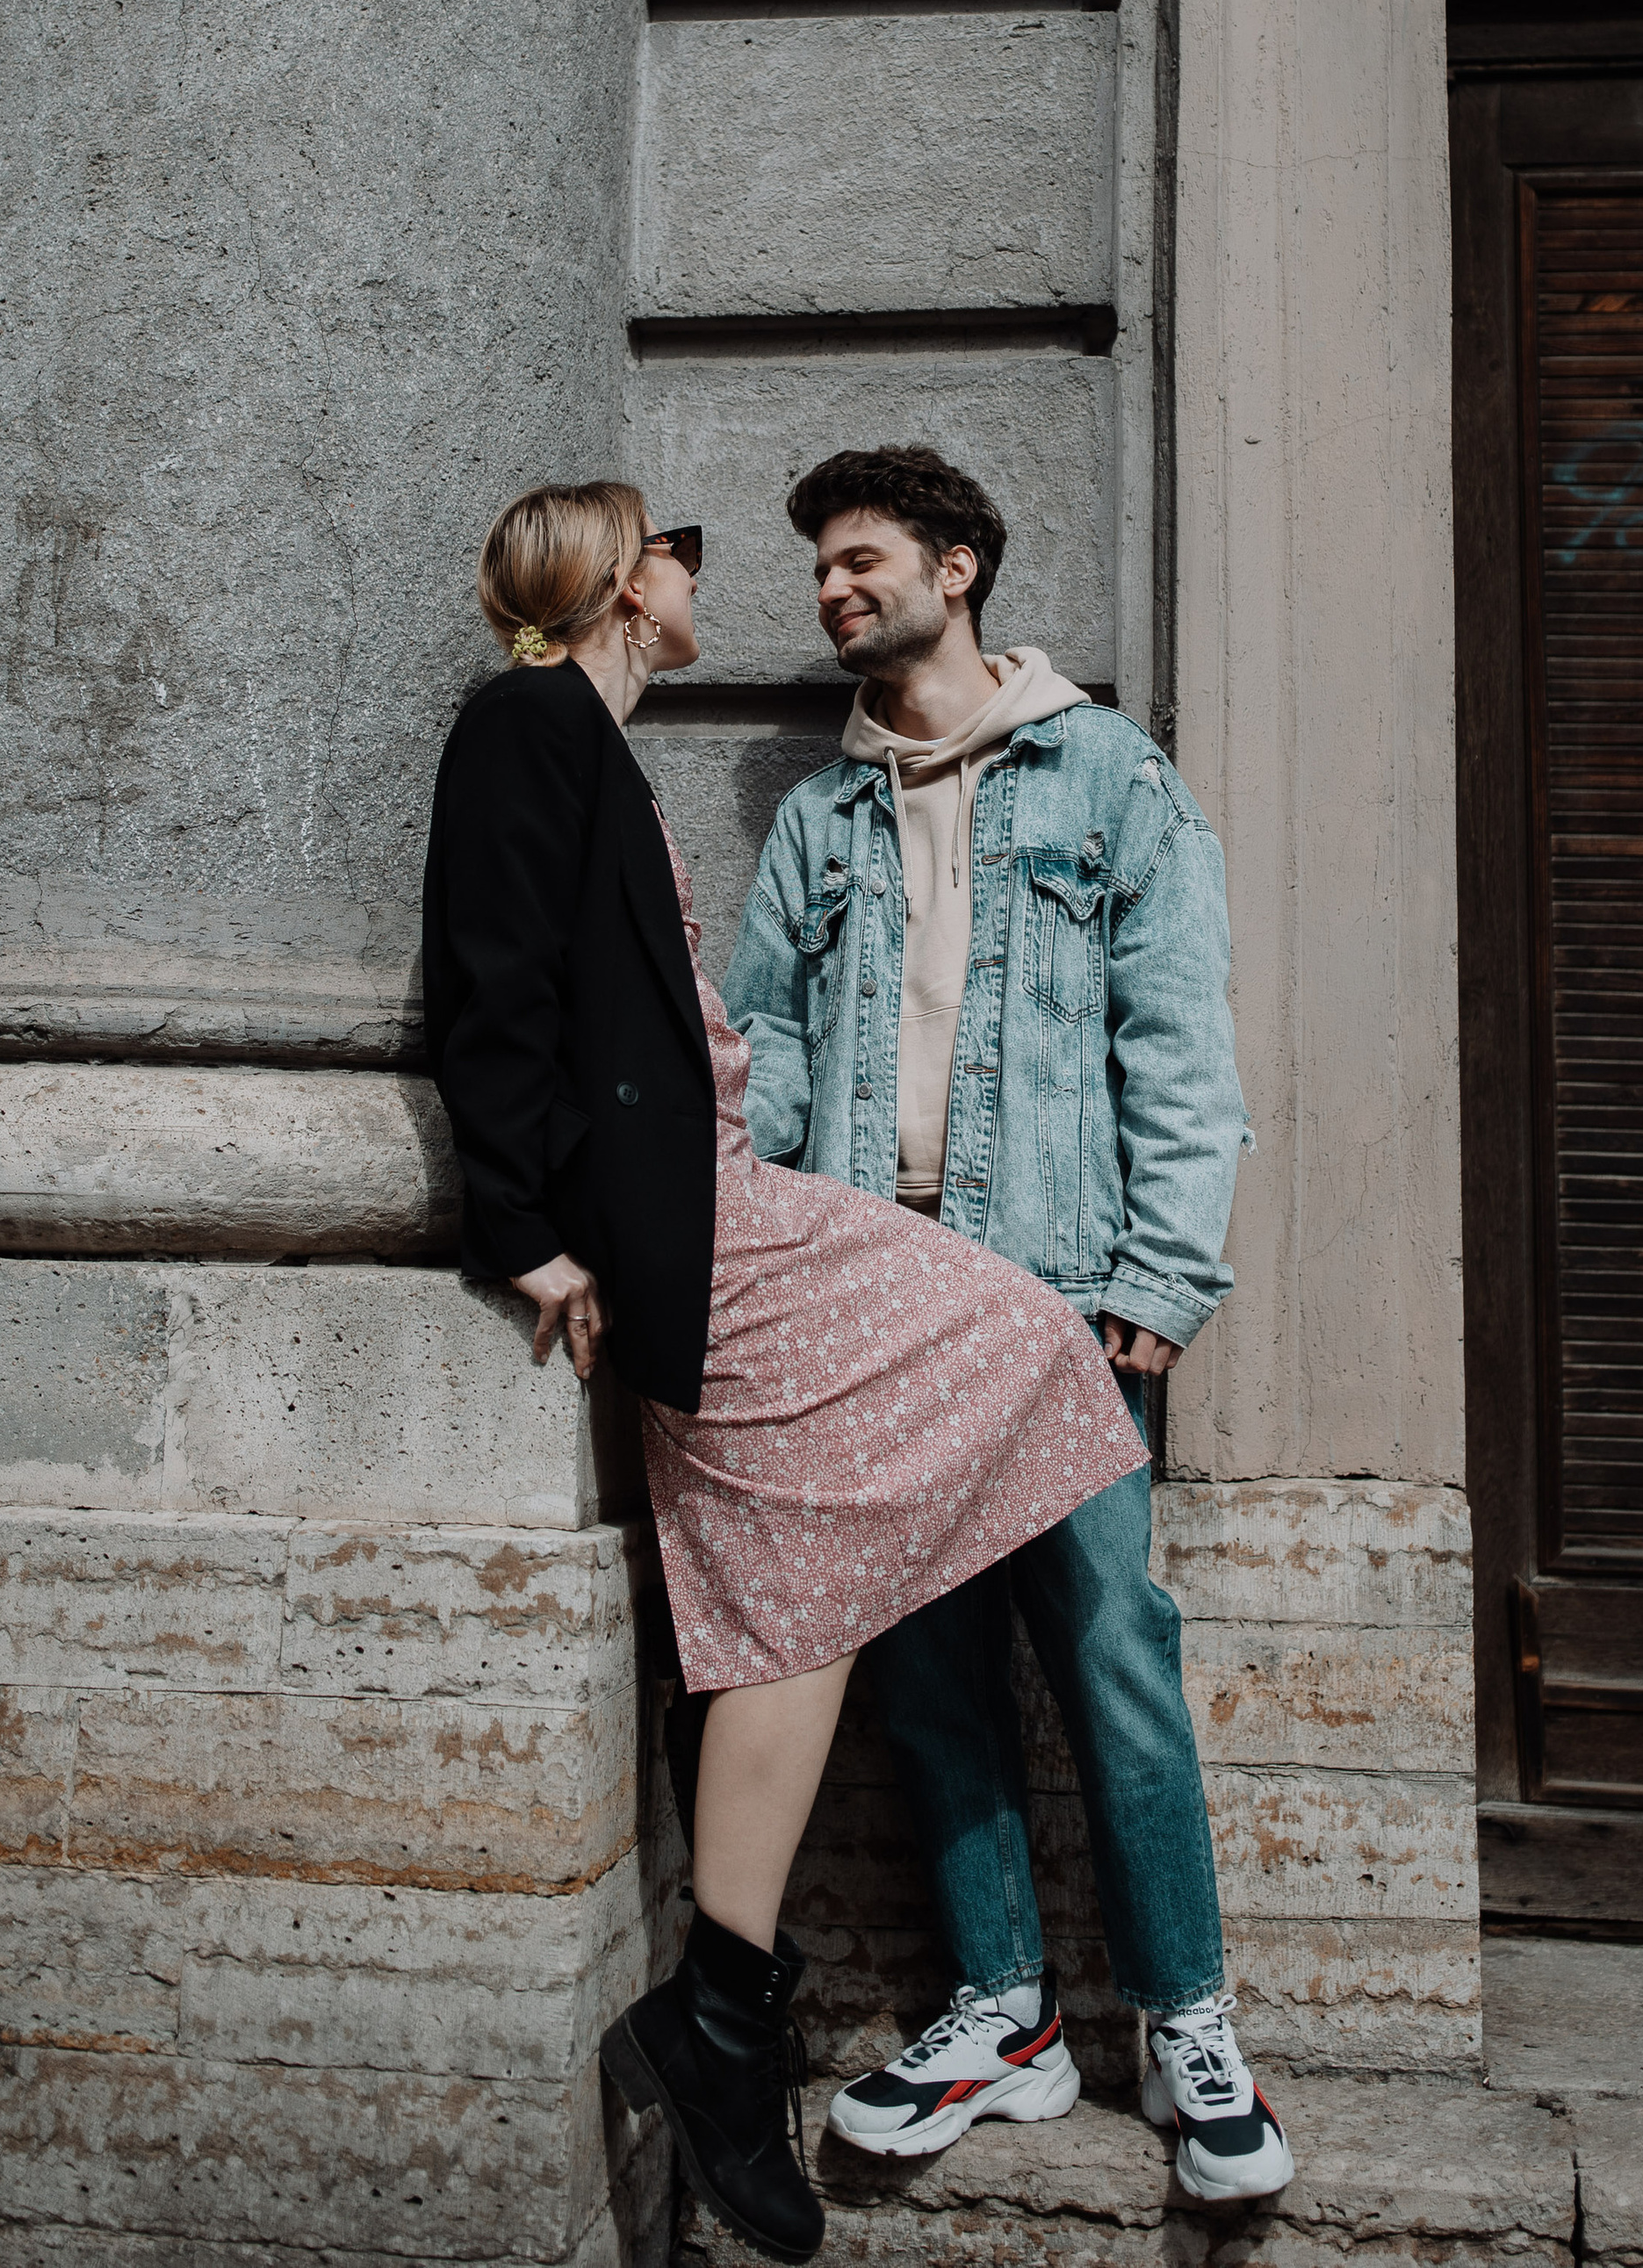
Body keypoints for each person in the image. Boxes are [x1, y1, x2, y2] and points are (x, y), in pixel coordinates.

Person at [422, 479, 1146, 2265]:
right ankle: (726, 2017)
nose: (693, 577)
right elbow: (487, 988)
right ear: (607, 584)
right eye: (669, 550)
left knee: (795, 1599)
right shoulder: (525, 725)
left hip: (722, 1203)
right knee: (1007, 1339)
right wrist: (521, 1228)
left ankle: (720, 2008)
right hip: (698, 1229)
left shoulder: (591, 742)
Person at [721, 445, 1294, 2206]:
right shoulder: (822, 820)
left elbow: (1176, 1052)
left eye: (861, 559)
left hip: (1052, 1304)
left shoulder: (1106, 778)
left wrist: (1157, 1280)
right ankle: (1002, 2014)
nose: (831, 589)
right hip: (870, 1308)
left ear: (954, 570)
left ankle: (1186, 2025)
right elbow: (764, 1064)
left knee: (1112, 1655)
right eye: (818, 567)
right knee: (928, 1673)